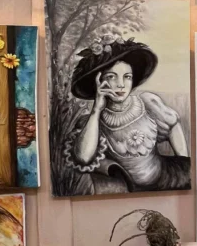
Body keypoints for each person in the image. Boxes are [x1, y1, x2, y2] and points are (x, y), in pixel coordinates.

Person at [66, 37, 190, 193]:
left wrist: (184, 163)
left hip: (168, 179)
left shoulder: (147, 103)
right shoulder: (93, 121)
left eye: (127, 77)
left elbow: (173, 124)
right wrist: (96, 109)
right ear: (99, 82)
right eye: (111, 77)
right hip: (131, 191)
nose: (120, 84)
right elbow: (83, 157)